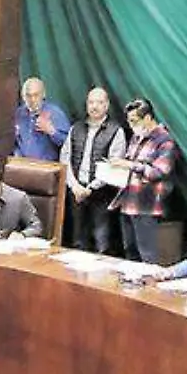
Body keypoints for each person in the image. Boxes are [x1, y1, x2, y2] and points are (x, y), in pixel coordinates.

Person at [106, 98, 179, 264]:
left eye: (134, 121)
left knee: (147, 255)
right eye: (129, 121)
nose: (132, 125)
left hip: (147, 205)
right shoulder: (136, 137)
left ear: (147, 118)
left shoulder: (164, 141)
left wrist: (130, 165)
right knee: (130, 253)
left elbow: (159, 172)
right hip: (127, 202)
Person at [59, 87, 127, 254]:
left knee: (101, 241)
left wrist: (90, 189)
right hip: (76, 192)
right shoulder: (76, 128)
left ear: (107, 105)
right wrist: (74, 186)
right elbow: (65, 158)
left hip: (102, 194)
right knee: (77, 241)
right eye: (91, 102)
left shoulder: (116, 131)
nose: (94, 106)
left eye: (99, 102)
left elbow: (114, 166)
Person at [12, 78, 71, 162]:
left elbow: (68, 145)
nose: (32, 100)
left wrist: (52, 131)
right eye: (28, 95)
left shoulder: (55, 113)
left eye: (36, 95)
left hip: (46, 167)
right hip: (22, 166)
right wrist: (17, 154)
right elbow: (15, 142)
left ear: (43, 94)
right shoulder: (19, 114)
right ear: (23, 96)